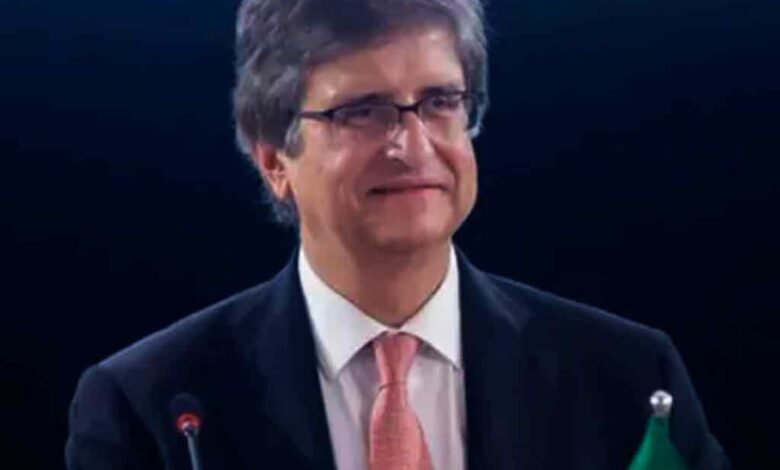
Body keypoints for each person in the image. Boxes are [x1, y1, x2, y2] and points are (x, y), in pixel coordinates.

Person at [65, 0, 730, 469]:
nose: (412, 146)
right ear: (274, 160)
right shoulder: (152, 407)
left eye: (440, 102)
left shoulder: (626, 377)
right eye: (363, 111)